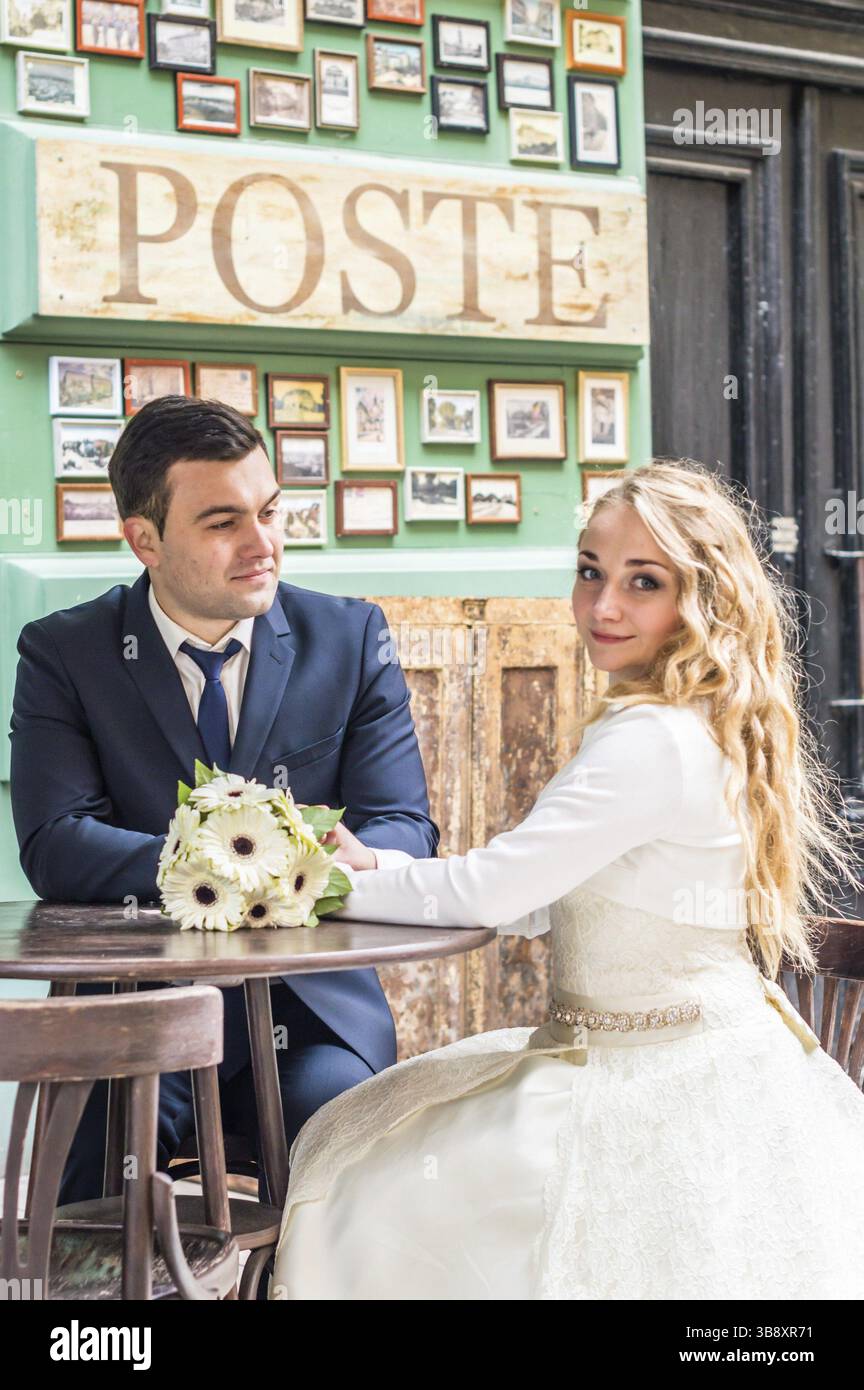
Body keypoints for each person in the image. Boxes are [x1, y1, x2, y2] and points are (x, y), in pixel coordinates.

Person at [270, 458, 864, 1301]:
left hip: (652, 1079)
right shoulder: (686, 718)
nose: (603, 605)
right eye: (591, 571)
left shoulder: (650, 740)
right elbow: (550, 897)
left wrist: (321, 884)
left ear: (703, 602)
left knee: (365, 1173)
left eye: (642, 582)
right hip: (679, 1052)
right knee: (369, 1138)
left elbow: (495, 895)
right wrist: (383, 865)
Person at [9, 395, 437, 1235]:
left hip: (311, 1010)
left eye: (270, 511)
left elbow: (402, 827)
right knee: (97, 1199)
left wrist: (338, 861)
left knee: (353, 1180)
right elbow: (57, 844)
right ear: (145, 539)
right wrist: (226, 861)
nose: (263, 544)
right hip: (140, 1008)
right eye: (223, 522)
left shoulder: (349, 639)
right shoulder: (65, 653)